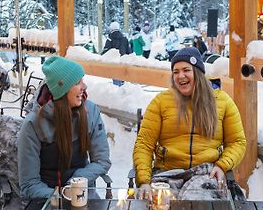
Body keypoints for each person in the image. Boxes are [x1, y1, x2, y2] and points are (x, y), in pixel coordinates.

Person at [133, 47, 246, 198]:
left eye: (186, 70)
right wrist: (144, 181)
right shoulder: (161, 102)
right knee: (160, 205)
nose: (181, 76)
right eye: (176, 72)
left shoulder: (222, 101)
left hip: (206, 173)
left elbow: (237, 142)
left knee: (198, 203)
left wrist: (222, 165)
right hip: (167, 173)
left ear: (197, 73)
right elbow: (144, 144)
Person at [18, 56, 111, 199]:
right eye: (77, 82)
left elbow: (102, 160)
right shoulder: (33, 124)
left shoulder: (90, 111)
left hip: (83, 193)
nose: (84, 87)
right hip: (45, 199)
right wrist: (59, 197)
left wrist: (77, 181)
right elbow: (29, 183)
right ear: (62, 89)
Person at [102, 21, 131, 86]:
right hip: (123, 61)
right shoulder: (124, 38)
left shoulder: (110, 38)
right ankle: (122, 89)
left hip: (114, 63)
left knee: (116, 81)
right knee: (123, 80)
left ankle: (118, 90)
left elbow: (106, 50)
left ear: (111, 29)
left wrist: (101, 57)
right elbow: (128, 50)